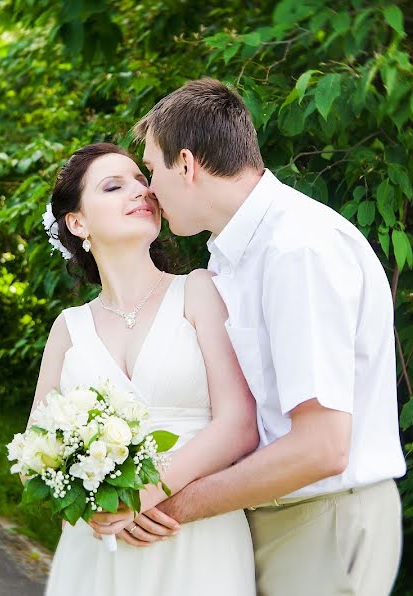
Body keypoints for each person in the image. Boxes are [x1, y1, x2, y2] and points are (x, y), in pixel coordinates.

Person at [121, 78, 408, 595]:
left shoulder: (297, 250)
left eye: (151, 170)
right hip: (282, 518)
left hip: (324, 520)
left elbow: (321, 447)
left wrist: (175, 506)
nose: (149, 192)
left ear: (186, 165)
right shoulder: (234, 255)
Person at [23, 142, 258, 596]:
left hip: (197, 541)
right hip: (99, 548)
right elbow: (33, 455)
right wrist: (92, 502)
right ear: (77, 222)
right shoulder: (69, 329)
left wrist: (143, 497)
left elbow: (239, 425)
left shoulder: (199, 291)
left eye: (140, 179)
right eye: (114, 186)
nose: (140, 191)